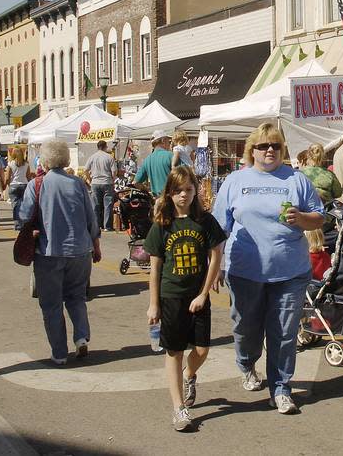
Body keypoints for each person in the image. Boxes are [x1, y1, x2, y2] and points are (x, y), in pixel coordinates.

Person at [216, 123, 324, 415]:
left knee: (284, 332)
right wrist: (214, 267)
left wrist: (300, 217)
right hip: (245, 270)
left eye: (275, 145)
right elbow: (218, 228)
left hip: (290, 271)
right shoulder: (235, 181)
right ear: (252, 151)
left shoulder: (296, 179)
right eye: (263, 146)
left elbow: (318, 218)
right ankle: (247, 362)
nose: (270, 151)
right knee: (246, 328)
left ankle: (281, 388)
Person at [144, 165, 225, 432]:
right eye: (177, 191)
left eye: (188, 190)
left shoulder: (204, 221)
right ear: (169, 193)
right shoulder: (162, 224)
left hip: (197, 295)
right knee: (174, 351)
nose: (183, 195)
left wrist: (204, 292)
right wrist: (154, 303)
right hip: (171, 296)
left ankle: (190, 375)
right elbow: (155, 266)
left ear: (195, 191)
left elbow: (216, 254)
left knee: (201, 350)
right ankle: (179, 408)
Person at [17, 139, 102, 365]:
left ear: (43, 160)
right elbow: (90, 216)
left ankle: (59, 353)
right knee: (76, 297)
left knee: (51, 303)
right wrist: (96, 243)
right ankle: (82, 336)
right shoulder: (77, 183)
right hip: (80, 250)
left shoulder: (36, 185)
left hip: (49, 251)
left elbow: (24, 216)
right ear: (64, 158)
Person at [84, 140, 119, 230]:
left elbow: (85, 170)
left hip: (95, 182)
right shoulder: (109, 157)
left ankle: (96, 225)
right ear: (105, 147)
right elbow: (114, 171)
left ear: (97, 147)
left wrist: (90, 179)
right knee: (108, 204)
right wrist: (113, 179)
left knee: (96, 205)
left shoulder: (92, 157)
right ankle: (107, 226)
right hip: (107, 182)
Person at [135, 131, 175, 198]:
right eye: (169, 141)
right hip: (172, 199)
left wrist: (146, 190)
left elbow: (136, 183)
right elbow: (184, 176)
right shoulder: (171, 156)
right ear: (163, 141)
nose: (169, 144)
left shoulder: (147, 160)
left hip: (157, 200)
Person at [5, 145, 34, 226]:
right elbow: (28, 177)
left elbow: (7, 177)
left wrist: (8, 185)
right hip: (24, 185)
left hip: (14, 185)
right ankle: (23, 222)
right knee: (23, 205)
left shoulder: (10, 164)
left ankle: (17, 224)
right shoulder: (26, 164)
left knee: (15, 205)